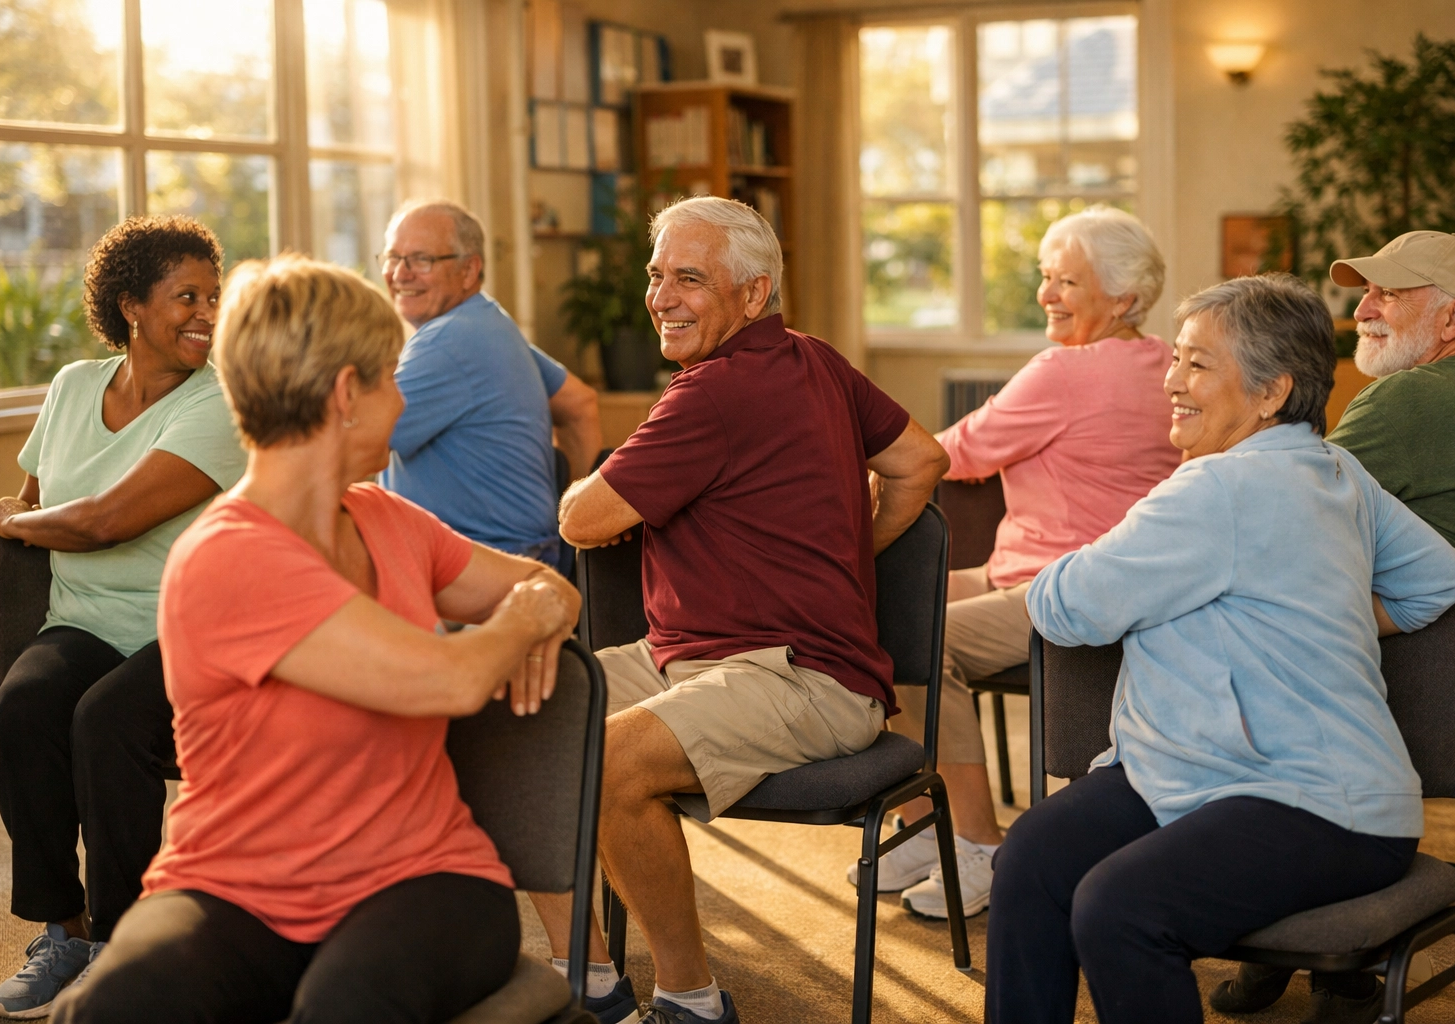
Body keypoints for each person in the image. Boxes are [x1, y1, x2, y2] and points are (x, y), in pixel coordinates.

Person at [51, 255, 582, 1024]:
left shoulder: (390, 519)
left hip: (426, 878)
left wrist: (542, 606)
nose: (402, 402)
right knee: (117, 1006)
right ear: (346, 395)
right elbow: (456, 675)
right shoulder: (229, 555)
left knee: (347, 1007)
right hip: (230, 887)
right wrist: (526, 623)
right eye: (392, 379)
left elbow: (549, 585)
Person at [985, 274, 1455, 1024]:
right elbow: (1437, 580)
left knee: (1118, 908)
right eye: (1176, 359)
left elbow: (1063, 608)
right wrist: (1316, 604)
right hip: (1200, 775)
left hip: (1320, 805)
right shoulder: (1336, 468)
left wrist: (1312, 605)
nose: (1172, 382)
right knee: (1034, 856)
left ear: (1272, 392)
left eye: (1198, 365)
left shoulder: (1212, 491)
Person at [536, 196, 948, 1024]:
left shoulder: (712, 394)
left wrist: (846, 560)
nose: (662, 297)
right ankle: (588, 977)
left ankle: (691, 1003)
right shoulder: (813, 358)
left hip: (801, 680)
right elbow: (919, 461)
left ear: (753, 295)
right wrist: (854, 557)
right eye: (657, 276)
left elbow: (580, 520)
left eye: (690, 279)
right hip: (691, 658)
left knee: (609, 760)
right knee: (521, 705)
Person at [1215, 233, 1455, 1021]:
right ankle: (1297, 943)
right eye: (1365, 293)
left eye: (1388, 295)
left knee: (1248, 703)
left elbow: (1281, 503)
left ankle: (1332, 957)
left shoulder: (1411, 398)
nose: (1362, 309)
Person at [864, 206, 1181, 920]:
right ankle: (925, 820)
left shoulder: (1065, 372)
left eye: (1066, 281)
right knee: (879, 606)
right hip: (1093, 579)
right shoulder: (1165, 363)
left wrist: (854, 469)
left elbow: (951, 451)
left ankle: (978, 844)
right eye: (1045, 276)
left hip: (1063, 585)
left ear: (1123, 299)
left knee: (919, 638)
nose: (1045, 294)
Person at [0, 215, 246, 1018]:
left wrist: (10, 521)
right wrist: (25, 517)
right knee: (24, 707)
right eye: (186, 296)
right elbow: (41, 498)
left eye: (215, 294)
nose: (207, 312)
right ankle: (62, 931)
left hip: (186, 628)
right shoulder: (72, 386)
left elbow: (104, 519)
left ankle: (121, 940)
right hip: (81, 620)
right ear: (131, 304)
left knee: (107, 722)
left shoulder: (221, 404)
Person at [377, 199, 602, 564]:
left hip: (488, 571)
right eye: (392, 257)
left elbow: (355, 433)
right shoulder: (487, 324)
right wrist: (578, 544)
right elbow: (579, 402)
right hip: (528, 560)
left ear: (469, 271)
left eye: (421, 260)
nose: (400, 274)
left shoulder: (446, 341)